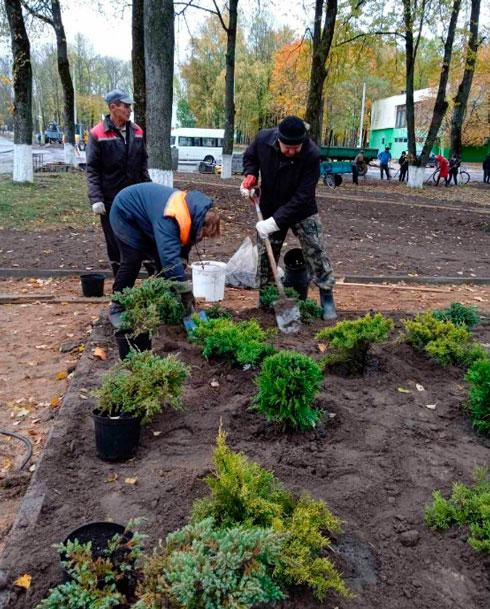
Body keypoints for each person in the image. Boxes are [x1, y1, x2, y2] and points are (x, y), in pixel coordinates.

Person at [240, 115, 336, 320]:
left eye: (296, 148)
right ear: (278, 139)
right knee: (266, 256)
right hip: (270, 205)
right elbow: (250, 157)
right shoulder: (263, 139)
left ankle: (326, 296)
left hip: (302, 209)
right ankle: (266, 299)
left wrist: (274, 223)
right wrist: (251, 174)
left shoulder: (311, 154)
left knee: (316, 250)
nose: (292, 152)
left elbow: (304, 196)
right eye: (287, 148)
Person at [109, 183, 220, 315]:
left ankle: (160, 299)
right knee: (133, 259)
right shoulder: (170, 218)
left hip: (148, 215)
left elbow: (182, 249)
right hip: (125, 211)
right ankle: (118, 304)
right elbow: (169, 258)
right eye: (204, 234)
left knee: (162, 261)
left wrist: (181, 265)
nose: (203, 238)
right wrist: (184, 290)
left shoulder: (192, 214)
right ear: (200, 225)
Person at [86, 89, 151, 278]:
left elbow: (143, 166)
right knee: (115, 242)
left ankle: (155, 279)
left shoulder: (137, 131)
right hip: (110, 200)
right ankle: (121, 283)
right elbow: (92, 169)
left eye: (130, 106)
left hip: (135, 199)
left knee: (144, 237)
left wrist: (148, 191)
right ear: (113, 107)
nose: (130, 110)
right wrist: (96, 199)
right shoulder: (98, 134)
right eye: (126, 106)